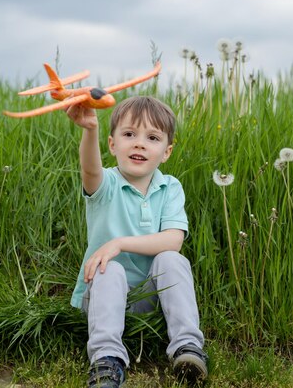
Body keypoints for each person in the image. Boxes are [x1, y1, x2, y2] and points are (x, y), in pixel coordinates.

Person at [65, 96, 208, 387]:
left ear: (166, 152)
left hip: (151, 297)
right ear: (112, 144)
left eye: (152, 137)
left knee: (172, 259)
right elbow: (90, 171)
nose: (139, 143)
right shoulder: (106, 184)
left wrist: (120, 242)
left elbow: (174, 240)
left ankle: (187, 348)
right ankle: (107, 360)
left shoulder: (170, 188)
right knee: (110, 267)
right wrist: (89, 129)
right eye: (129, 134)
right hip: (104, 295)